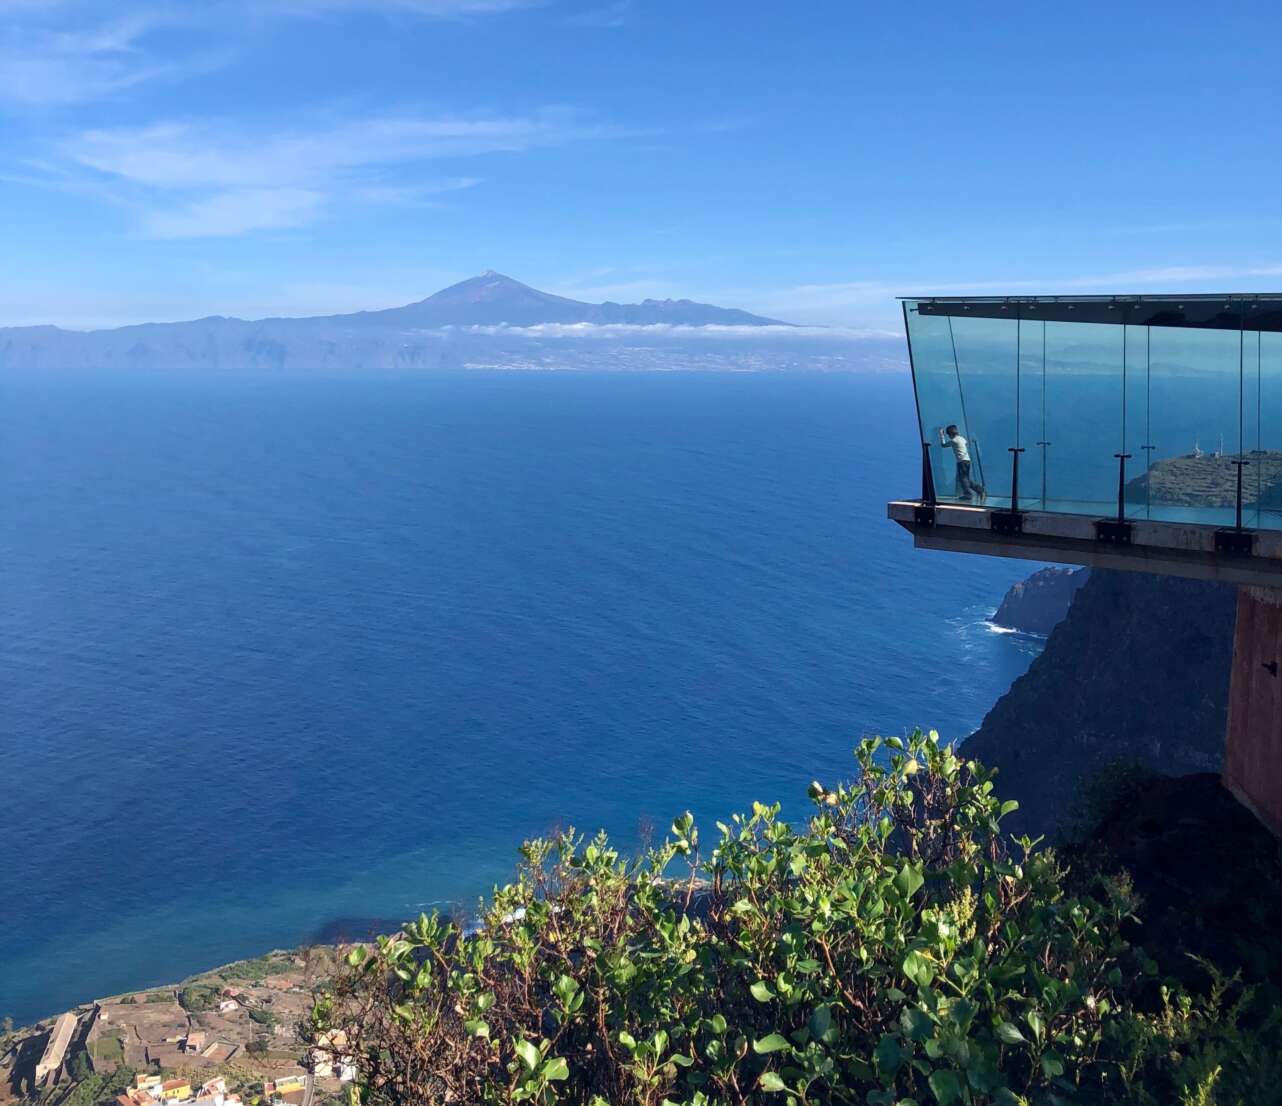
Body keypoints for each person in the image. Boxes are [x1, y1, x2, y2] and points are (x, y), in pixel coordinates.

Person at [939, 424, 985, 503]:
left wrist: (941, 435)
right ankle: (980, 490)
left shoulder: (954, 441)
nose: (948, 436)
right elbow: (966, 443)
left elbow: (943, 445)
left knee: (963, 479)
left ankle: (968, 494)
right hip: (967, 460)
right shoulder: (962, 438)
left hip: (961, 461)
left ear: (950, 434)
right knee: (966, 479)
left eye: (948, 434)